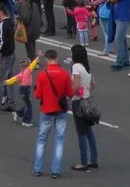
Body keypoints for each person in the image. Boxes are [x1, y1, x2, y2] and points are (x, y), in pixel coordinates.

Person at [31, 48, 73, 179]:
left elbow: (37, 95)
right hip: (60, 111)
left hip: (46, 110)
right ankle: (56, 171)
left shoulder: (42, 75)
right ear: (57, 58)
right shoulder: (64, 73)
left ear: (46, 59)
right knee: (59, 141)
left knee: (42, 139)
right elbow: (70, 93)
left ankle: (38, 169)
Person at [69, 44, 98, 171]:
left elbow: (75, 86)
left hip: (78, 102)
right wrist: (86, 91)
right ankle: (94, 159)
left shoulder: (76, 67)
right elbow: (93, 84)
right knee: (89, 132)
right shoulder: (87, 67)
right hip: (87, 100)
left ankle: (83, 161)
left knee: (81, 132)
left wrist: (69, 96)